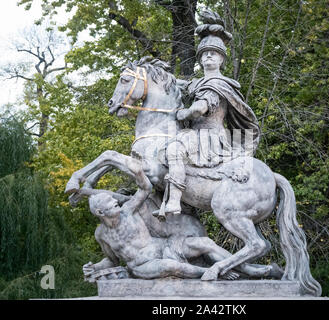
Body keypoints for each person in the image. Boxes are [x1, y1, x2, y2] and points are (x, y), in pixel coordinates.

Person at [162, 20, 261, 215]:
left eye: (213, 53)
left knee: (174, 149)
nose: (208, 55)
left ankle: (174, 201)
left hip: (210, 137)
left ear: (221, 59)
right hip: (195, 134)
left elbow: (201, 108)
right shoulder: (197, 83)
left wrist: (184, 113)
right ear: (199, 58)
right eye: (204, 53)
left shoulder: (218, 83)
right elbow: (177, 84)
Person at [83, 192, 283, 280]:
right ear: (100, 213)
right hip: (143, 265)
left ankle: (251, 270)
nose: (115, 201)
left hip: (164, 246)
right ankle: (216, 272)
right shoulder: (101, 234)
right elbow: (111, 260)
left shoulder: (128, 210)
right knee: (171, 267)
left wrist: (135, 168)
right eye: (110, 202)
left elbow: (144, 188)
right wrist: (95, 267)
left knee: (204, 243)